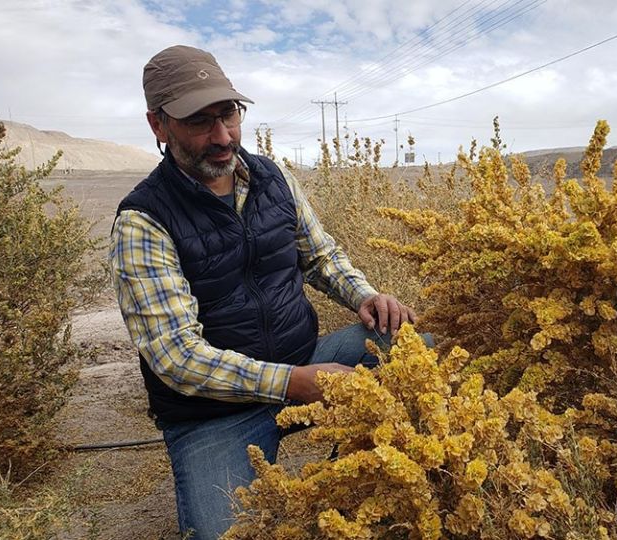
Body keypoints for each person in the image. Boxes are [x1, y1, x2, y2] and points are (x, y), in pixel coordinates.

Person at [109, 45, 419, 539]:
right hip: (213, 414)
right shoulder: (144, 222)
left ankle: (358, 479)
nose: (222, 136)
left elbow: (320, 256)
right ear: (158, 126)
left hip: (305, 362)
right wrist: (294, 383)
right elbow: (177, 357)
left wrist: (365, 296)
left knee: (399, 342)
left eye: (229, 113)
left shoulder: (274, 178)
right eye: (198, 121)